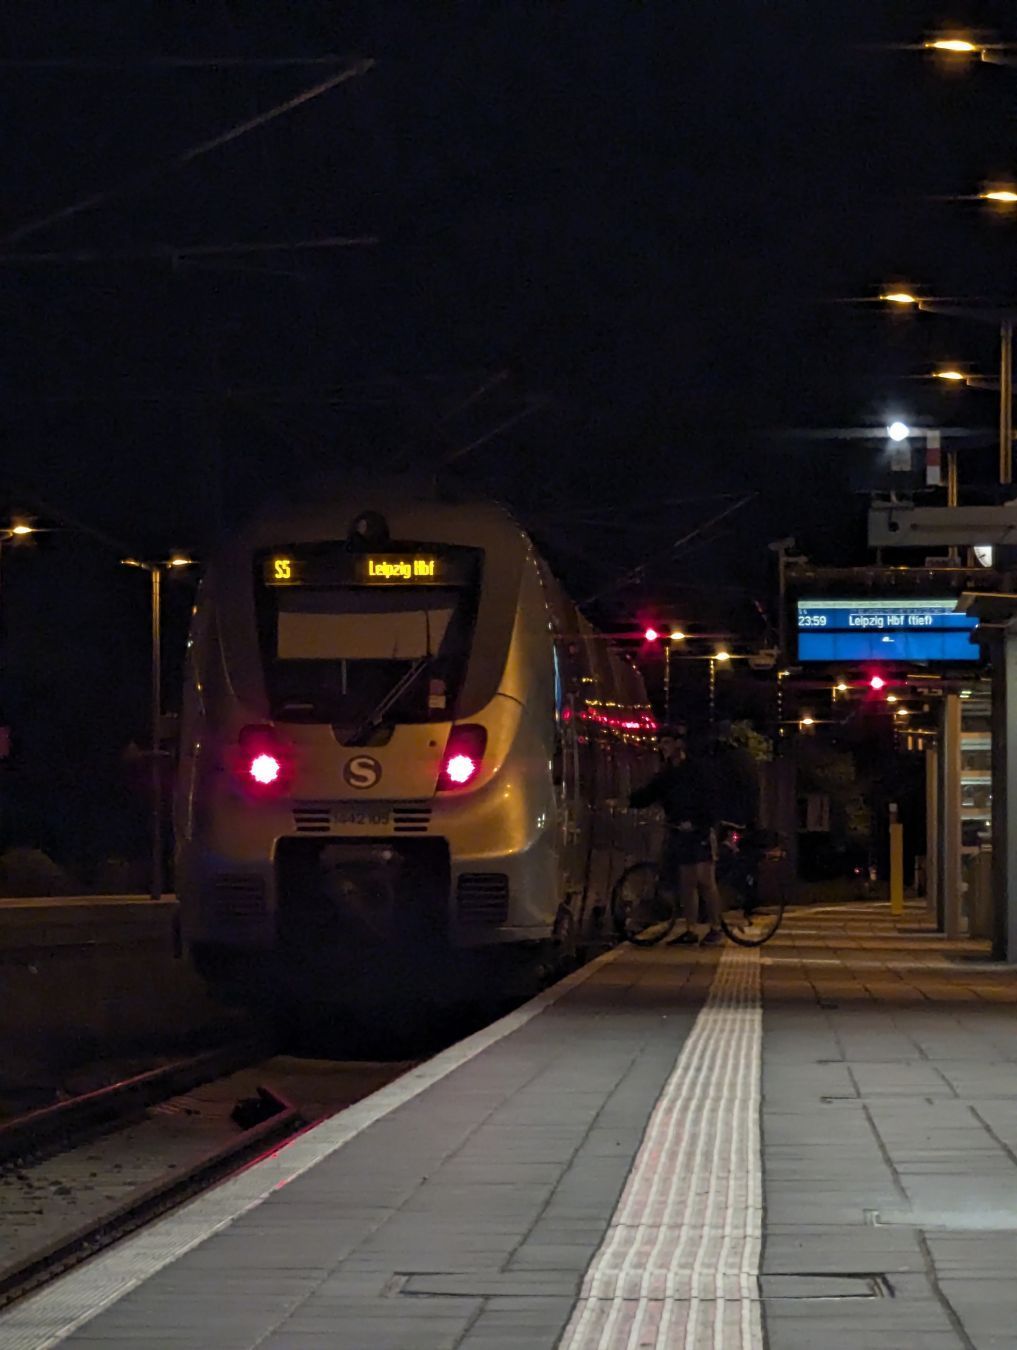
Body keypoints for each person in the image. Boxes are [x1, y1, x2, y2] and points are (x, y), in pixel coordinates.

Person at [629, 728, 723, 946]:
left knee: (705, 880)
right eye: (661, 743)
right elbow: (651, 792)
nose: (663, 747)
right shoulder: (668, 772)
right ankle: (691, 929)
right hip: (679, 831)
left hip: (699, 831)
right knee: (687, 881)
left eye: (667, 742)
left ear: (679, 744)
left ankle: (716, 927)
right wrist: (628, 801)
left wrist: (699, 822)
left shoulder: (697, 769)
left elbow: (711, 800)